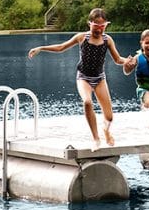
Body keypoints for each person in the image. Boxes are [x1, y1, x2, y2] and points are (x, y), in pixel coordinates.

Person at [28, 8, 134, 150]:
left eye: (102, 26)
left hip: (99, 78)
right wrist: (41, 48)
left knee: (109, 117)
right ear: (89, 24)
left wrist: (126, 61)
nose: (99, 29)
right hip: (83, 77)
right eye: (96, 26)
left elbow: (117, 59)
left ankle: (106, 131)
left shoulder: (107, 40)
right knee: (87, 102)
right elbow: (61, 47)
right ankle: (96, 139)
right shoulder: (82, 37)